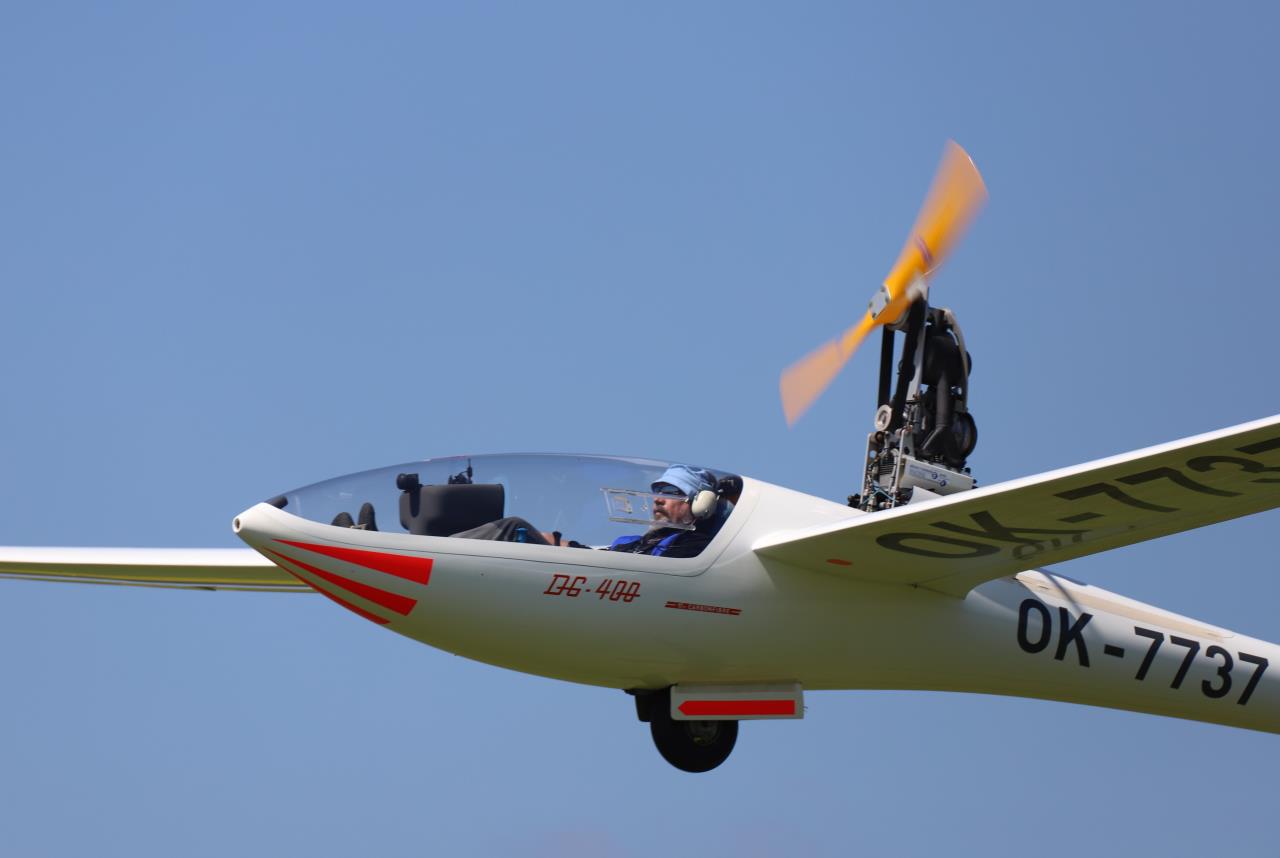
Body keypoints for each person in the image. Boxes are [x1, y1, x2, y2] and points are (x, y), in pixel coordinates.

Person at [606, 464, 719, 558]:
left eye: (669, 491)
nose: (657, 499)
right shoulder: (627, 543)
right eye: (657, 491)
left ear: (700, 503)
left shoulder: (697, 548)